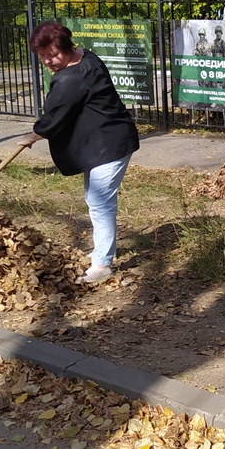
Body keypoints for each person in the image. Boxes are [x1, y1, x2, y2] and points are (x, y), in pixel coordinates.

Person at [17, 22, 140, 284]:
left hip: (111, 143)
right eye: (42, 56)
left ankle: (102, 264)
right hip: (101, 141)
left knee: (100, 202)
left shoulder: (71, 79)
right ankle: (101, 251)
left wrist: (33, 135)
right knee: (95, 199)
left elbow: (53, 118)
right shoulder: (86, 56)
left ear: (67, 48)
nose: (48, 61)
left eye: (53, 55)